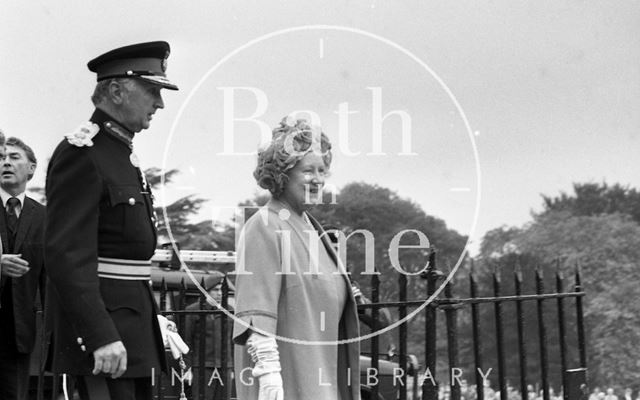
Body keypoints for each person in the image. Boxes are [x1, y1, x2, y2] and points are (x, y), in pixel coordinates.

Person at [44, 41, 178, 399]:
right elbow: (67, 255)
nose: (160, 103)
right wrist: (99, 334)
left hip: (131, 330)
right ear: (116, 91)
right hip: (105, 342)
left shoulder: (120, 152)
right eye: (152, 91)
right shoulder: (82, 153)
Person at [232, 116, 361, 400]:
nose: (317, 179)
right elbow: (255, 313)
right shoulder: (265, 225)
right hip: (286, 387)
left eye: (323, 170)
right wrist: (268, 378)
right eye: (307, 170)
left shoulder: (313, 230)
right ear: (282, 173)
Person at [0, 135, 45, 400]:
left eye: (14, 157)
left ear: (31, 168)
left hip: (17, 336)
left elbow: (51, 280)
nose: (6, 162)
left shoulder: (45, 217)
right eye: (1, 158)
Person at [184, 272, 235, 400]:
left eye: (222, 290)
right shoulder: (193, 310)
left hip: (225, 367)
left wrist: (232, 366)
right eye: (216, 290)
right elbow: (186, 341)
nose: (220, 293)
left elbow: (232, 342)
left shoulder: (229, 310)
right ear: (207, 291)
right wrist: (187, 368)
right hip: (202, 367)